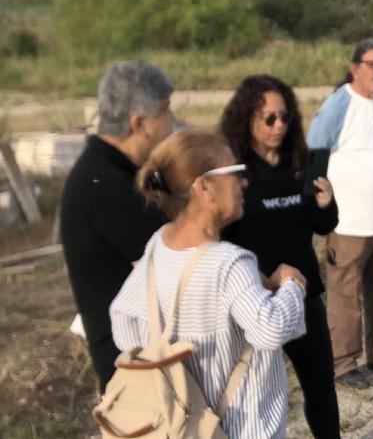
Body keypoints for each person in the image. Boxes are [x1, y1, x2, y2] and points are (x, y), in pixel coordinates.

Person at [109, 130, 307, 438]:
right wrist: (292, 285)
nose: (245, 183)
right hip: (243, 428)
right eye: (235, 173)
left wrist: (177, 363)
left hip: (187, 426)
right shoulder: (229, 262)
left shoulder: (158, 245)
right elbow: (270, 329)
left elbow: (123, 321)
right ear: (205, 186)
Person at [219, 75, 342, 438]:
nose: (279, 126)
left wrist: (326, 202)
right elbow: (221, 240)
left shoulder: (299, 164)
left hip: (303, 296)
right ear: (247, 119)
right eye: (268, 118)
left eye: (284, 117)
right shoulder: (235, 173)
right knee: (257, 394)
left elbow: (322, 225)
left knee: (321, 386)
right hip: (253, 301)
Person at [60, 60, 175, 391]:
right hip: (133, 362)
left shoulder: (115, 169)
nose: (172, 120)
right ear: (139, 123)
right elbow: (171, 260)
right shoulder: (108, 184)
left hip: (140, 353)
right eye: (165, 110)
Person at [308, 37, 373, 388]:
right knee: (345, 297)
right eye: (372, 64)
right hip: (348, 223)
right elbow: (313, 157)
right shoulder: (338, 105)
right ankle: (344, 364)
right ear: (355, 68)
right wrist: (319, 209)